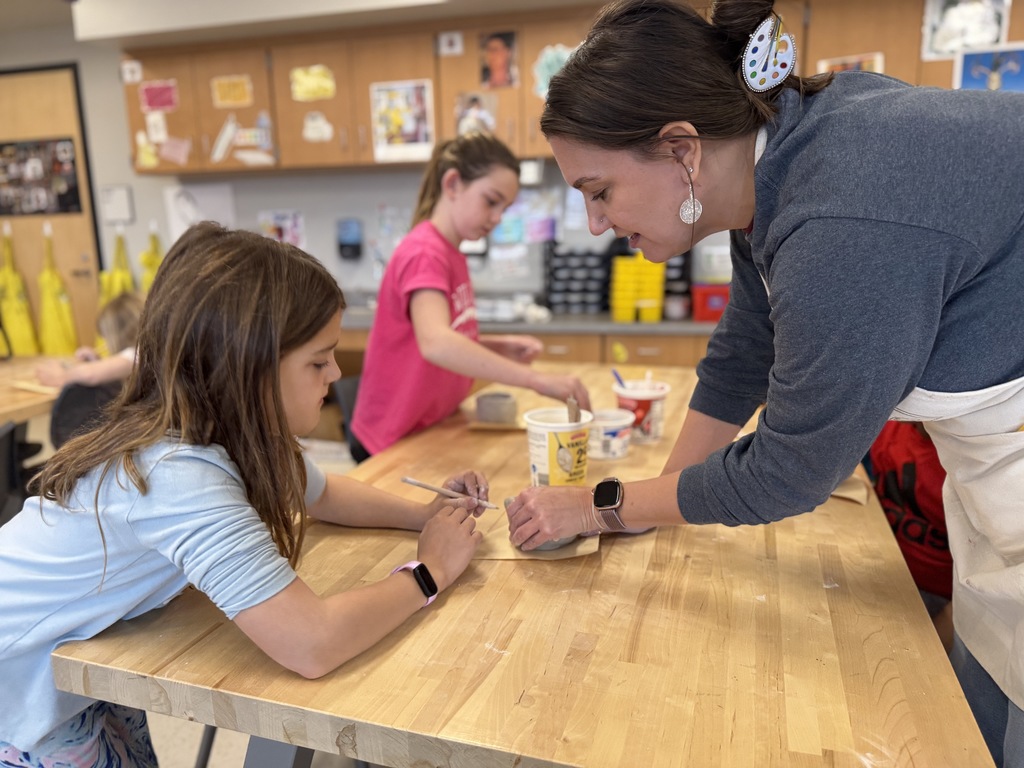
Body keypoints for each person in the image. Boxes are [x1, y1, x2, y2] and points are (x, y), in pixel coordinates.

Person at [501, 1, 1024, 763]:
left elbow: (791, 470)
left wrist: (599, 507)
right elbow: (747, 347)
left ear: (682, 150)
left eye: (599, 189)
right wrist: (658, 501)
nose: (593, 221)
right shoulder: (782, 160)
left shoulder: (844, 216)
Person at [0, 222, 486, 764]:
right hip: (17, 688)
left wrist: (424, 517)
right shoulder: (178, 476)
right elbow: (311, 643)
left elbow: (322, 494)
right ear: (249, 370)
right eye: (318, 360)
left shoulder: (226, 431)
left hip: (68, 662)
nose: (336, 372)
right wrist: (429, 572)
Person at [351, 132, 590, 461]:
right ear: (452, 184)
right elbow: (435, 342)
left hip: (429, 429)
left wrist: (495, 347)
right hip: (391, 439)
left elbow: (445, 337)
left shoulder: (451, 252)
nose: (496, 218)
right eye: (491, 201)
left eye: (504, 208)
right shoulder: (425, 252)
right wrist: (536, 380)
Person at [868, 421, 953, 652]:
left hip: (929, 597)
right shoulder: (892, 426)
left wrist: (928, 651)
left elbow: (978, 598)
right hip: (877, 561)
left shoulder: (965, 463)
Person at [35, 291, 144, 389]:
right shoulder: (139, 354)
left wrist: (61, 376)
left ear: (119, 334)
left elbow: (89, 374)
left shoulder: (135, 354)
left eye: (105, 337)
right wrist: (97, 362)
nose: (105, 344)